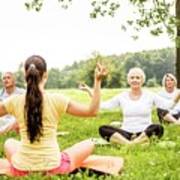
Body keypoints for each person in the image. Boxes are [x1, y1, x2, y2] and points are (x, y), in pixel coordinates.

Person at [0, 55, 123, 177]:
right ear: (45, 75)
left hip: (21, 167)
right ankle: (46, 171)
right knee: (90, 143)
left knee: (9, 142)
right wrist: (97, 81)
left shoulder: (14, 101)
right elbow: (92, 111)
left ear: (25, 75)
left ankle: (31, 168)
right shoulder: (57, 99)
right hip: (55, 166)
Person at [79, 67, 180, 145]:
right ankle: (133, 144)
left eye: (137, 77)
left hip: (144, 131)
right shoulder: (122, 96)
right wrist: (89, 91)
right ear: (128, 80)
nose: (135, 80)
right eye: (132, 78)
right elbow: (102, 105)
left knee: (158, 128)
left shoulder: (150, 95)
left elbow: (169, 105)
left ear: (142, 80)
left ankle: (130, 143)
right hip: (126, 132)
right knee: (103, 129)